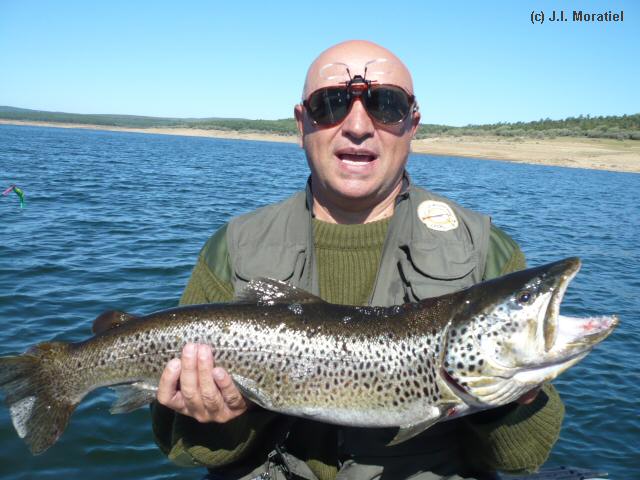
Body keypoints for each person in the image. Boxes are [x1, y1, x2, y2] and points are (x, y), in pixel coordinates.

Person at [151, 40, 564, 480]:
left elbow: (521, 458)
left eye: (386, 104)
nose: (358, 125)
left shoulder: (484, 250)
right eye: (330, 104)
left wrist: (503, 394)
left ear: (412, 124)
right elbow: (180, 447)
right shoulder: (233, 247)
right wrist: (222, 420)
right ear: (301, 123)